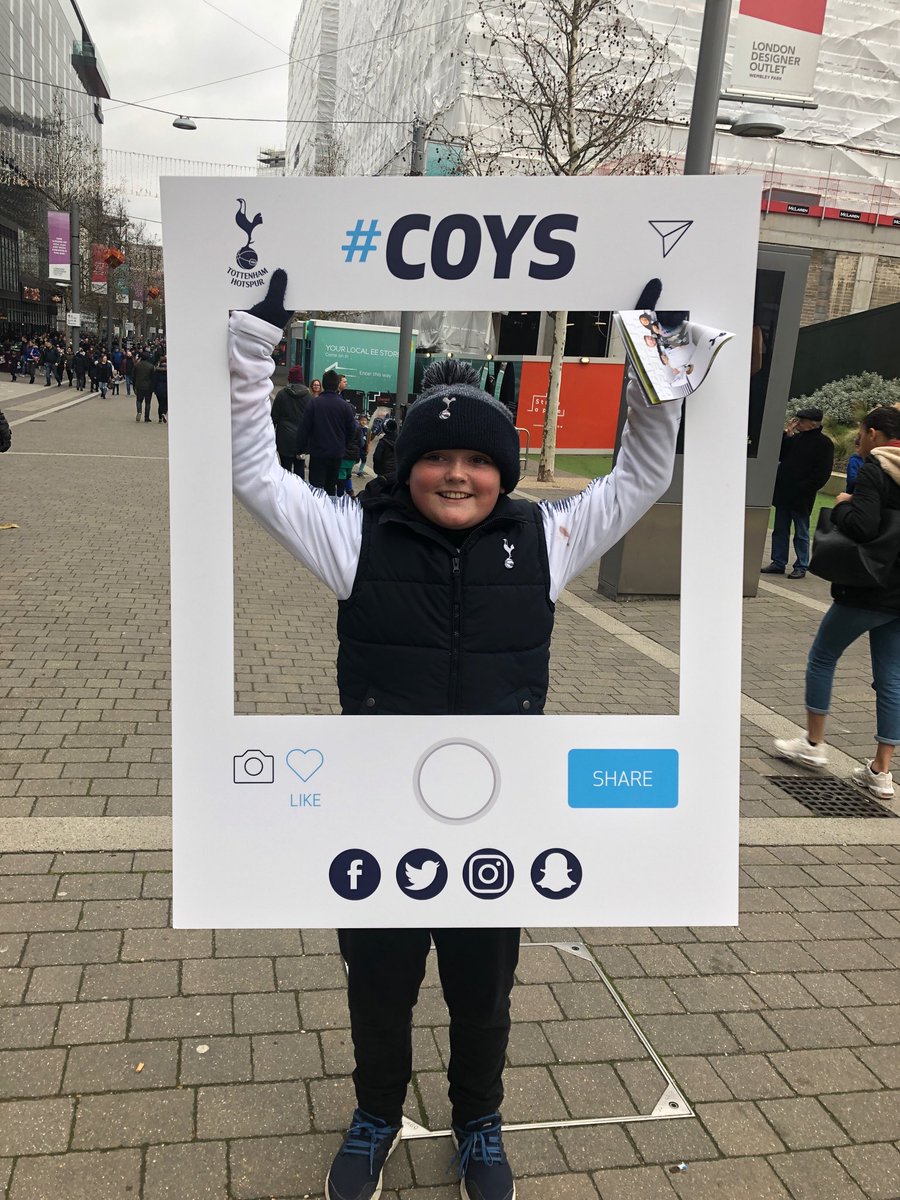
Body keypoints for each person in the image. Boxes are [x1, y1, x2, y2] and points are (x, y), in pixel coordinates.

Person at [230, 269, 683, 1200]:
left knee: (483, 990)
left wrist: (648, 359)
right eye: (437, 459)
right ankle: (375, 1112)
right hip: (378, 818)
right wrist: (248, 349)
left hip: (492, 824)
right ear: (406, 467)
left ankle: (479, 1119)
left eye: (478, 461)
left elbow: (644, 473)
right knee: (379, 986)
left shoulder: (546, 542)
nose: (456, 475)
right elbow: (250, 473)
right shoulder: (355, 537)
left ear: (504, 473)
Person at [773, 405, 900, 800]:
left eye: (862, 432)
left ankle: (814, 745)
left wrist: (844, 502)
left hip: (867, 589)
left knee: (823, 656)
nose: (859, 439)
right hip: (899, 596)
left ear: (876, 433)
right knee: (891, 680)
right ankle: (882, 770)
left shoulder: (877, 470)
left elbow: (862, 525)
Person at [761, 406, 835, 579]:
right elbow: (779, 453)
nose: (798, 423)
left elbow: (822, 472)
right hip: (784, 493)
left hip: (802, 496)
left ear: (813, 424)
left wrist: (805, 487)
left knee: (801, 532)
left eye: (802, 421)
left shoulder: (824, 444)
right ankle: (778, 562)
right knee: (780, 529)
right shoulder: (795, 439)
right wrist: (787, 433)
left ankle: (801, 565)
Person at [295, 367, 359, 495]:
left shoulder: (314, 404)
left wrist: (301, 448)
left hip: (318, 452)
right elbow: (352, 429)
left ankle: (315, 513)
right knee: (331, 487)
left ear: (323, 385)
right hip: (336, 453)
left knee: (316, 488)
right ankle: (329, 511)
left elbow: (304, 428)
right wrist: (343, 444)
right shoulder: (345, 406)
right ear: (337, 385)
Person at [270, 365, 310, 475]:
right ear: (302, 379)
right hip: (301, 439)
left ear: (290, 378)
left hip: (284, 438)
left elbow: (273, 418)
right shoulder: (308, 397)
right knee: (299, 469)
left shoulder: (282, 394)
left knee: (285, 469)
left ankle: (285, 491)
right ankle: (299, 491)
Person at [372, 417, 398, 481]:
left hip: (383, 471)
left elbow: (376, 457)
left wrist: (377, 470)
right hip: (396, 471)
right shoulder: (400, 440)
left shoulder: (383, 442)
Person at [133, 352, 155, 422]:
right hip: (148, 386)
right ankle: (147, 417)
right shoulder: (151, 366)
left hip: (139, 385)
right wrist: (153, 387)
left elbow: (134, 376)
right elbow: (153, 378)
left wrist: (134, 386)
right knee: (148, 402)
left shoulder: (137, 365)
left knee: (139, 400)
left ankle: (139, 411)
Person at [154, 356, 168, 423]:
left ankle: (160, 418)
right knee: (166, 403)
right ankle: (164, 413)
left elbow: (154, 380)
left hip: (159, 388)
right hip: (166, 388)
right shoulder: (168, 371)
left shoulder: (157, 370)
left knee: (160, 403)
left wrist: (154, 389)